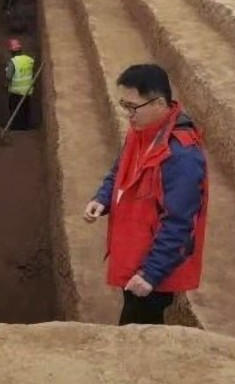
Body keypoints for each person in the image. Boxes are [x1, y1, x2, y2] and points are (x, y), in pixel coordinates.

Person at [83, 64, 207, 326]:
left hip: (151, 266)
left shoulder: (182, 157)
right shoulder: (141, 132)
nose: (128, 114)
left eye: (132, 107)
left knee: (138, 327)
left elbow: (180, 224)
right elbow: (121, 168)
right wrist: (102, 198)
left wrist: (151, 273)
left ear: (159, 103)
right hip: (133, 253)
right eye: (124, 105)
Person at [5, 39, 35, 130]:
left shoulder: (13, 62)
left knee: (14, 110)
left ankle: (16, 128)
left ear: (12, 52)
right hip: (27, 91)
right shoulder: (29, 60)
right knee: (25, 109)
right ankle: (25, 127)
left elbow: (9, 76)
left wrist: (6, 84)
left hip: (16, 91)